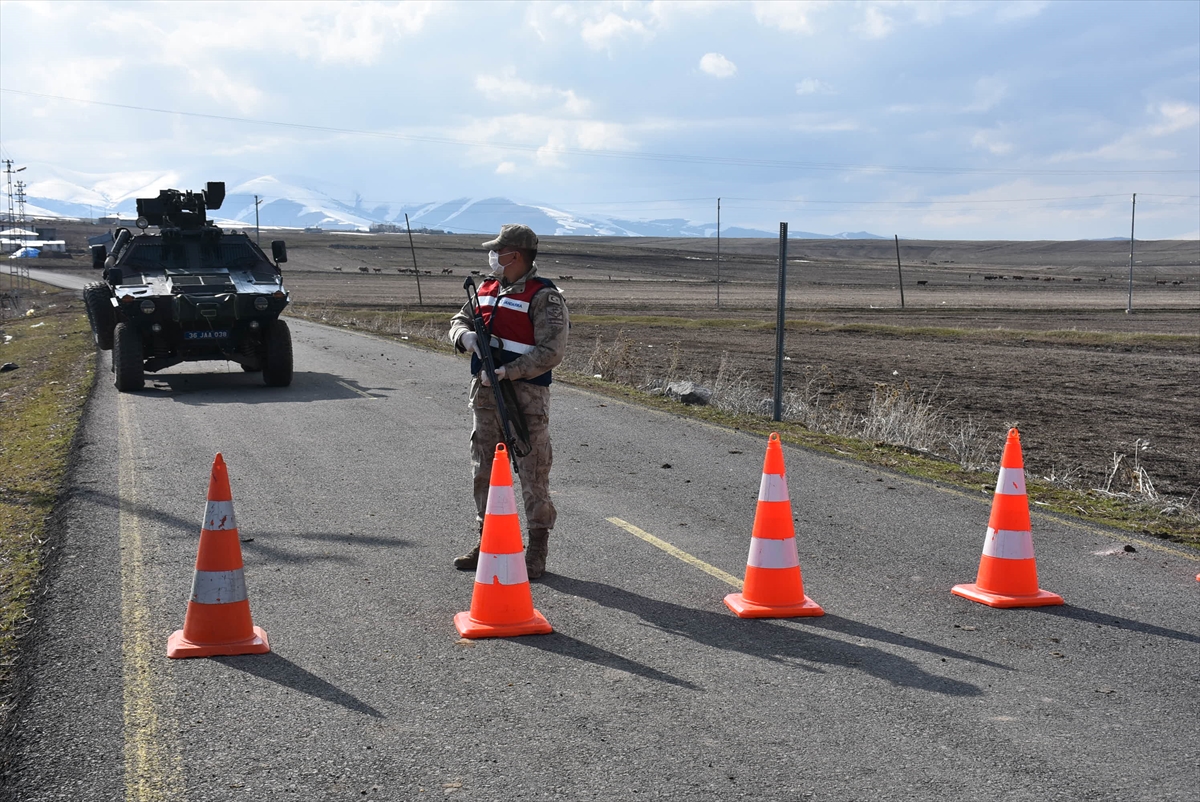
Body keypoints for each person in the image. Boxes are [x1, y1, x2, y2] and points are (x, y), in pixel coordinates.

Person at [448, 224, 569, 579]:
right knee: (483, 471)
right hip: (485, 398)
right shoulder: (485, 289)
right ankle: (488, 541)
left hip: (525, 399)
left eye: (498, 251)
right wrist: (464, 336)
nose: (492, 257)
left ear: (514, 254)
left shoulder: (544, 296)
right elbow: (458, 320)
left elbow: (552, 351)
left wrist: (509, 372)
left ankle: (537, 549)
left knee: (533, 473)